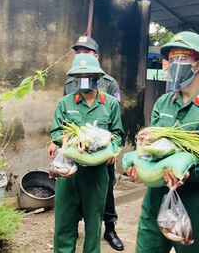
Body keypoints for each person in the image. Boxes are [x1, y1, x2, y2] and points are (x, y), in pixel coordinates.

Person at [127, 31, 199, 253]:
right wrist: (139, 162)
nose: (175, 64)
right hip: (155, 198)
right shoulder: (163, 103)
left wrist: (188, 173)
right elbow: (150, 150)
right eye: (172, 60)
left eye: (182, 59)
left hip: (191, 201)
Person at [47, 35, 124, 251]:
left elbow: (118, 134)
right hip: (69, 173)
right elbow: (56, 131)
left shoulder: (109, 103)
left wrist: (110, 148)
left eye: (88, 75)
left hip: (97, 173)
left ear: (98, 77)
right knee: (64, 225)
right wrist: (68, 139)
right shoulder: (65, 102)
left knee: (93, 228)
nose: (83, 79)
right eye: (79, 76)